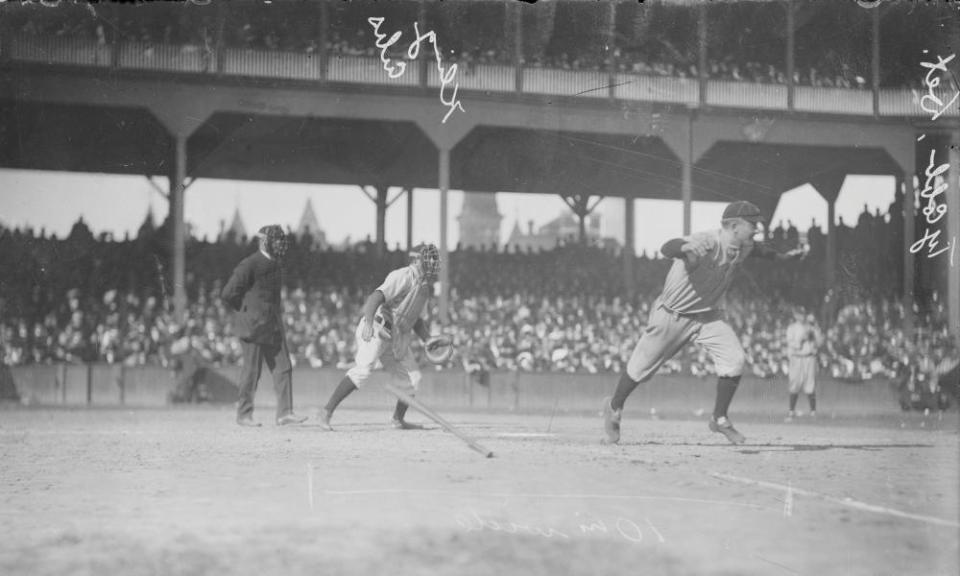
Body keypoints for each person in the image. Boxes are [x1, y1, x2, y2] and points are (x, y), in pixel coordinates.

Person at [602, 201, 807, 445]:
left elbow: (759, 250)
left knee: (734, 360)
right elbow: (667, 247)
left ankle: (719, 419)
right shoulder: (708, 242)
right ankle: (614, 407)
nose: (757, 227)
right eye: (752, 223)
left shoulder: (744, 244)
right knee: (640, 369)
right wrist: (686, 246)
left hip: (708, 316)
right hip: (672, 314)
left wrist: (783, 258)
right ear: (733, 226)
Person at [316, 243, 442, 430]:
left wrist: (427, 339)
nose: (432, 261)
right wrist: (367, 322)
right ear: (416, 259)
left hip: (395, 335)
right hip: (377, 326)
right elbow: (376, 297)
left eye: (433, 258)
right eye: (428, 257)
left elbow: (416, 320)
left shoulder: (424, 288)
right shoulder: (403, 276)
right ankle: (325, 412)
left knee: (412, 379)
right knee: (363, 371)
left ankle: (398, 419)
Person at [221, 225, 307, 427]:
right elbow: (228, 293)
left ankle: (285, 413)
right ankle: (244, 415)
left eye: (280, 240)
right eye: (276, 240)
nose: (280, 244)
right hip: (253, 327)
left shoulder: (276, 264)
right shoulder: (250, 264)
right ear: (263, 241)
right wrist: (246, 311)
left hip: (272, 326)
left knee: (284, 367)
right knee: (252, 372)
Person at [784, 308, 823, 421]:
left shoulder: (811, 327)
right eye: (799, 314)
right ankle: (791, 411)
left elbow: (819, 343)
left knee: (810, 383)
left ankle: (813, 412)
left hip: (809, 357)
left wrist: (815, 333)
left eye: (803, 314)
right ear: (795, 315)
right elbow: (790, 343)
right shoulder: (792, 328)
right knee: (794, 383)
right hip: (796, 357)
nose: (801, 316)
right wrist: (801, 339)